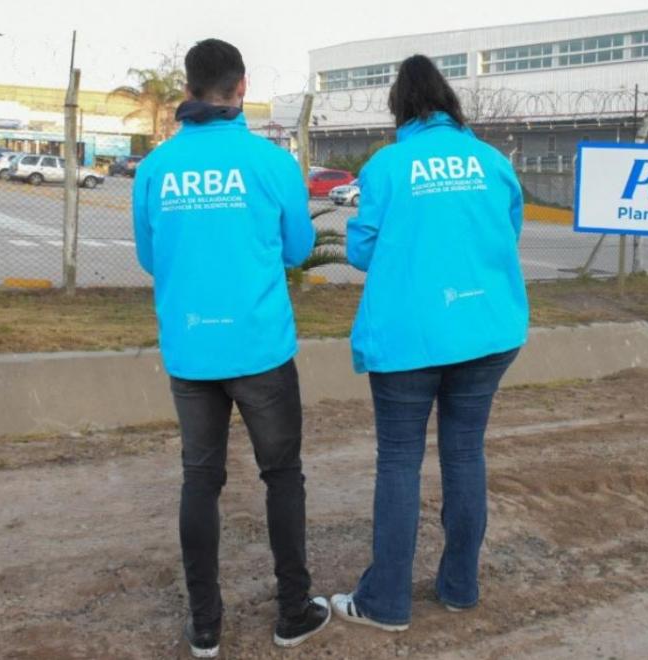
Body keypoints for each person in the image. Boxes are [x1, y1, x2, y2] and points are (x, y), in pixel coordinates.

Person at [132, 38, 330, 657]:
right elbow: (299, 250)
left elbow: (149, 258)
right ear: (241, 87)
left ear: (187, 89)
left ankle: (206, 625)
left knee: (200, 478)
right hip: (260, 348)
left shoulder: (156, 168)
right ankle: (292, 612)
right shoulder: (270, 164)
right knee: (282, 475)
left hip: (191, 350)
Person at [330, 54, 529, 631]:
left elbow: (362, 252)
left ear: (401, 109)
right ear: (448, 103)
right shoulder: (492, 161)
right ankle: (460, 587)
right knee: (465, 454)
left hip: (409, 339)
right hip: (486, 330)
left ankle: (386, 603)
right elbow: (506, 233)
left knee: (399, 462)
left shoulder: (388, 166)